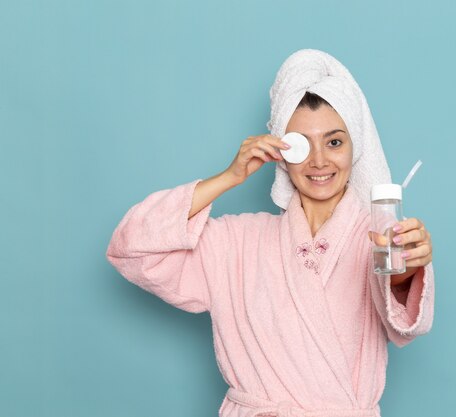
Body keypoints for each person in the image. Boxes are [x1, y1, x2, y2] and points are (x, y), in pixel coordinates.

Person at [106, 49, 434, 417]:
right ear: (282, 152)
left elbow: (402, 322)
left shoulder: (380, 240)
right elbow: (132, 248)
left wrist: (405, 271)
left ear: (355, 147)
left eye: (334, 142)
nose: (319, 161)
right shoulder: (236, 243)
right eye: (302, 145)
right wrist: (228, 178)